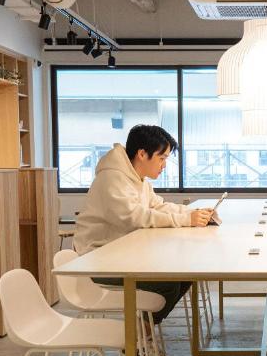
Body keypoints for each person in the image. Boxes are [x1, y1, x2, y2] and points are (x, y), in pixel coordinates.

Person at [74, 124, 213, 332]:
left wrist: (191, 214)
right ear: (142, 153)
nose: (164, 165)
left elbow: (157, 205)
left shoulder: (139, 180)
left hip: (122, 255)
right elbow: (134, 218)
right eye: (162, 158)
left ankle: (141, 332)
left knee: (185, 274)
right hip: (98, 259)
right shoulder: (112, 178)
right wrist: (186, 220)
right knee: (168, 283)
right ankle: (136, 337)